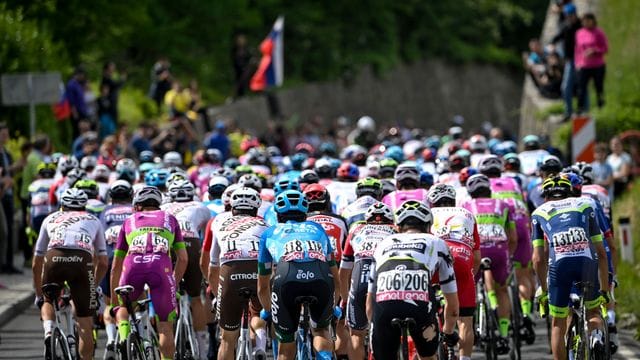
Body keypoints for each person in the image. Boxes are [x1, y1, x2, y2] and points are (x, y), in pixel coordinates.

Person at [367, 200, 459, 359]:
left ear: (398, 225)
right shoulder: (437, 242)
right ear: (427, 225)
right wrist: (448, 332)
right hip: (420, 305)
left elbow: (369, 301)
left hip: (384, 306)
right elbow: (452, 301)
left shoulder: (383, 244)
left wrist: (374, 326)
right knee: (428, 356)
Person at [532, 175, 610, 360]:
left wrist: (544, 291)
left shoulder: (539, 212)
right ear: (570, 192)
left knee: (558, 322)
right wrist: (605, 290)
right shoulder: (585, 205)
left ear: (546, 196)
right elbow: (601, 251)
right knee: (593, 311)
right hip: (586, 262)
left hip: (559, 266)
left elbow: (537, 259)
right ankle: (596, 337)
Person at [257, 190, 340, 360]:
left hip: (287, 278)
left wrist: (268, 311)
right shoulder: (318, 228)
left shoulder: (268, 233)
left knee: (286, 343)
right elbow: (335, 275)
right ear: (305, 213)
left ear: (278, 214)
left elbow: (262, 286)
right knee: (321, 330)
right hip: (321, 277)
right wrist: (334, 304)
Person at [110, 185, 188, 359]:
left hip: (132, 266)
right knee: (165, 327)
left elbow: (116, 264)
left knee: (123, 308)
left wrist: (114, 302)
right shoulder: (170, 218)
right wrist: (172, 284)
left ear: (137, 205)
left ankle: (123, 335)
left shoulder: (129, 220)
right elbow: (183, 259)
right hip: (161, 268)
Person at [32, 188, 108, 360]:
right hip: (82, 260)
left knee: (48, 300)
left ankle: (49, 331)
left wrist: (39, 293)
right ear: (84, 206)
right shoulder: (93, 219)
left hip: (54, 257)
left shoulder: (50, 218)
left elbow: (37, 262)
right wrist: (92, 287)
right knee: (85, 322)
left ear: (62, 205)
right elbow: (103, 262)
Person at [208, 187, 269, 360]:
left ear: (231, 207)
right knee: (257, 312)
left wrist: (216, 295)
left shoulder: (219, 223)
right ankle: (260, 343)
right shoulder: (265, 224)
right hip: (257, 270)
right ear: (256, 209)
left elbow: (213, 266)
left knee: (227, 339)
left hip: (230, 271)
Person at [461, 174, 517, 354]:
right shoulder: (504, 205)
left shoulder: (465, 207)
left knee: (470, 287)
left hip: (476, 251)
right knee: (502, 290)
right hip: (500, 249)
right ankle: (503, 333)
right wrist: (509, 255)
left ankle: (476, 325)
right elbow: (513, 238)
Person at [428, 184, 480, 360]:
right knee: (466, 320)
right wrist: (470, 276)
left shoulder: (428, 214)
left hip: (436, 259)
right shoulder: (467, 214)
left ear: (432, 202)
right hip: (463, 261)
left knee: (426, 309)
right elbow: (477, 255)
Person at [339, 202, 396, 360]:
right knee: (391, 331)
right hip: (386, 281)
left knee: (356, 335)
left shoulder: (356, 231)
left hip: (360, 279)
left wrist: (345, 299)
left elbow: (344, 272)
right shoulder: (396, 231)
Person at [160, 179, 212, 356]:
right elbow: (205, 234)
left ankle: (169, 334)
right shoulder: (201, 206)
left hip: (169, 244)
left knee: (168, 293)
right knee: (196, 297)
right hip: (192, 242)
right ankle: (202, 349)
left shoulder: (163, 207)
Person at [99, 180, 134, 359]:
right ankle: (130, 336)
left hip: (110, 257)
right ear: (131, 195)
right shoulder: (135, 211)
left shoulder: (105, 211)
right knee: (136, 302)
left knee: (111, 304)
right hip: (131, 258)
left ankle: (112, 338)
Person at [550, 3, 582, 119]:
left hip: (581, 60)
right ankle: (568, 112)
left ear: (575, 14)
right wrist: (552, 45)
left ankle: (582, 111)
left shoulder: (581, 26)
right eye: (567, 16)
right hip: (570, 60)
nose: (569, 18)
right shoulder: (566, 26)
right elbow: (556, 37)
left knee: (581, 86)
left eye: (571, 15)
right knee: (566, 87)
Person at [575, 13, 608, 112]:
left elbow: (605, 48)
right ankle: (580, 111)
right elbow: (577, 50)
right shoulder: (579, 33)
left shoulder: (599, 32)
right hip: (584, 66)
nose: (586, 23)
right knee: (581, 89)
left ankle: (601, 108)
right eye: (584, 21)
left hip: (598, 65)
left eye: (588, 21)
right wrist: (577, 63)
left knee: (599, 88)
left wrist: (594, 51)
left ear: (593, 21)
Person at [66, 67, 90, 139]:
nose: (83, 77)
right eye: (82, 75)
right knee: (77, 131)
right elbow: (71, 101)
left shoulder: (78, 84)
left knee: (84, 130)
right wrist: (75, 113)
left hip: (82, 111)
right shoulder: (71, 84)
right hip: (77, 112)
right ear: (78, 74)